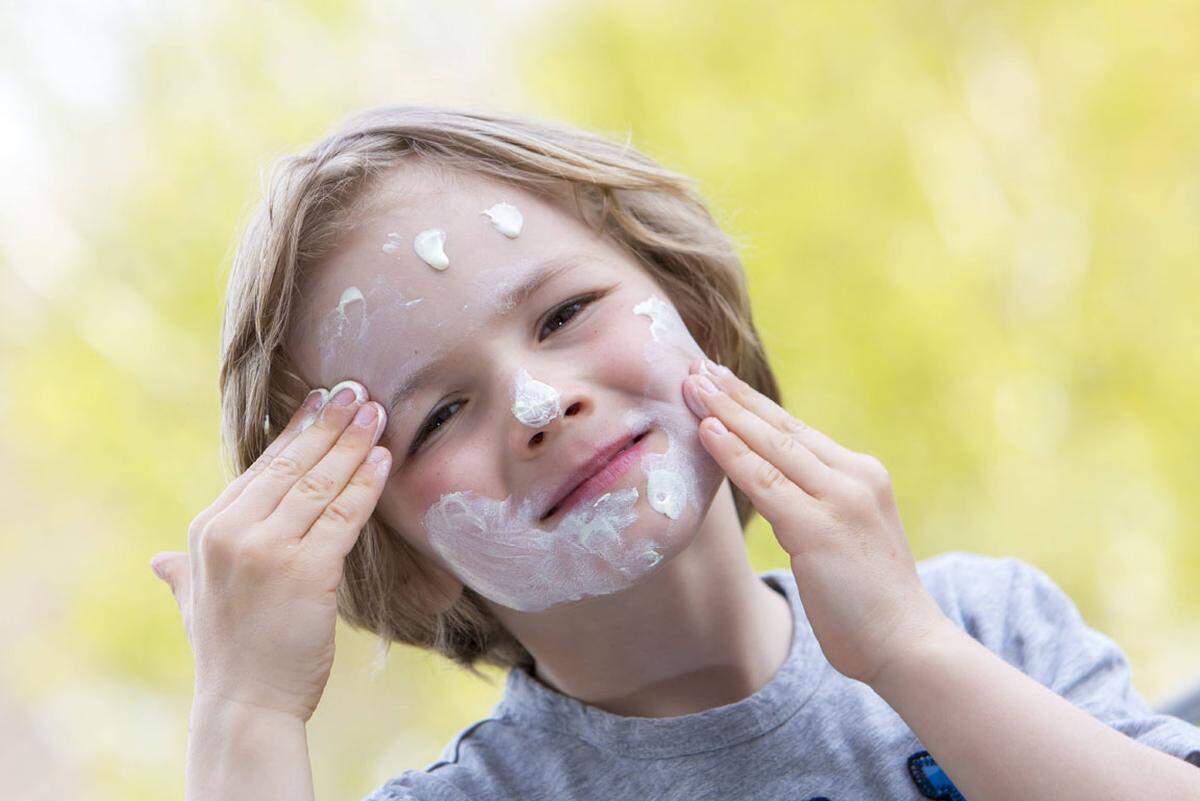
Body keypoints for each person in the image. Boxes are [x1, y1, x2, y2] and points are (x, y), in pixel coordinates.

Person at [149, 105, 1200, 801]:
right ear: (396, 556)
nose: (539, 402)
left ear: (694, 309)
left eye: (564, 311)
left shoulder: (984, 627)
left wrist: (908, 655)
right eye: (437, 414)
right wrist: (246, 717)